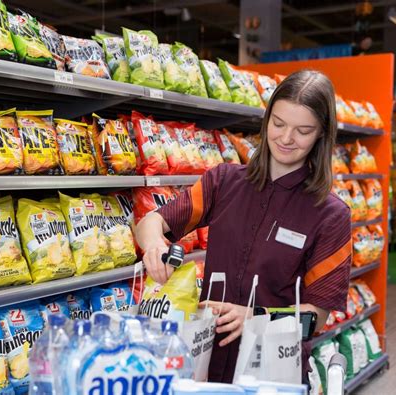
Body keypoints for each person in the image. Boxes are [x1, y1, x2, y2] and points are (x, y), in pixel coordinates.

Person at [135, 69, 352, 383]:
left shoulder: (330, 214)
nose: (286, 138)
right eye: (278, 124)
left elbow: (316, 317)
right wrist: (155, 244)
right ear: (266, 121)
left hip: (273, 370)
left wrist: (255, 317)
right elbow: (151, 222)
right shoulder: (223, 181)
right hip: (204, 362)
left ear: (321, 133)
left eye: (303, 130)